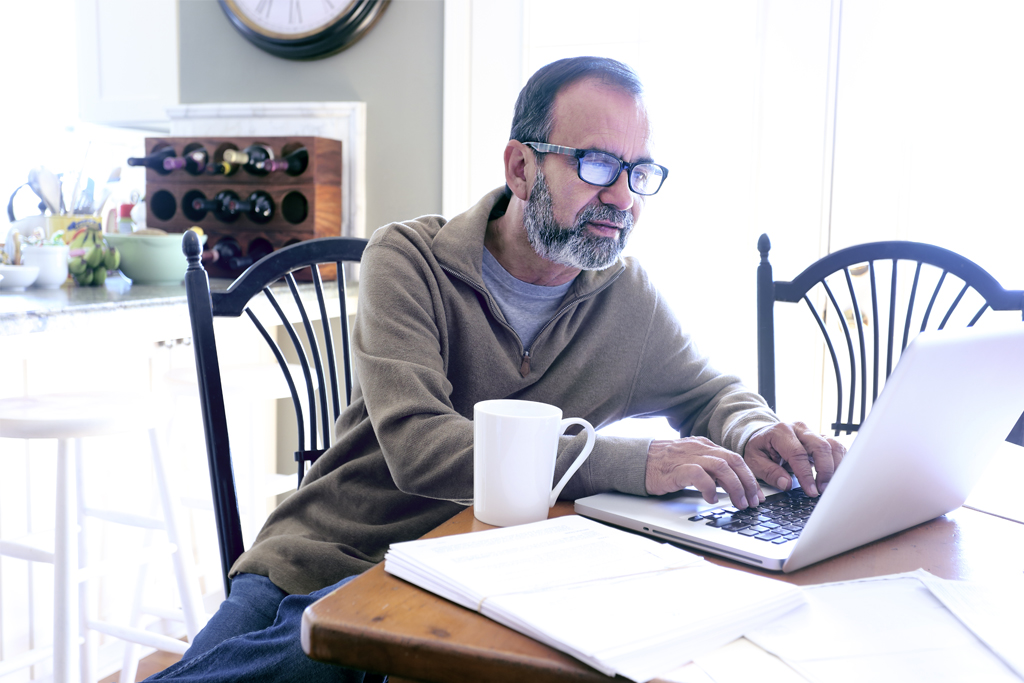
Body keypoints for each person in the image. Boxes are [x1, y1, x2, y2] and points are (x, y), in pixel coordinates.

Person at [149, 56, 844, 682]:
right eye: (598, 164)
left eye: (638, 173)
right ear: (520, 168)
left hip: (465, 577)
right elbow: (422, 447)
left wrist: (754, 431)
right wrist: (632, 462)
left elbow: (707, 391)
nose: (624, 197)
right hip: (322, 551)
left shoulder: (624, 297)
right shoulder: (409, 260)